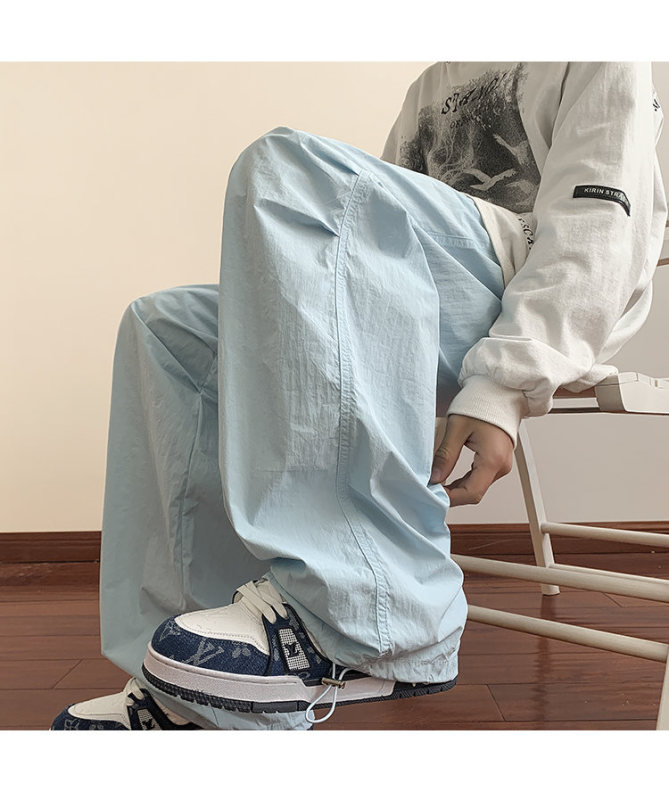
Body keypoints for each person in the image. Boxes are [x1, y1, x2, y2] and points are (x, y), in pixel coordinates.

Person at [51, 62, 666, 731]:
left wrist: (505, 381)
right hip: (423, 301)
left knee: (288, 168)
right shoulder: (434, 80)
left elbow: (601, 228)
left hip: (526, 293)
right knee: (168, 329)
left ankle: (375, 617)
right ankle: (189, 692)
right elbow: (365, 241)